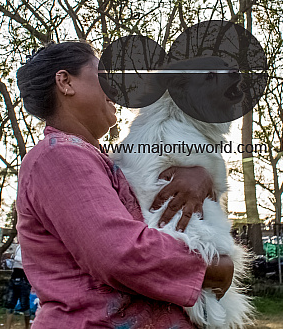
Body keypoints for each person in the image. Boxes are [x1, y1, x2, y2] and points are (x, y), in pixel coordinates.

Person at [15, 42, 235, 328]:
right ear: (66, 82)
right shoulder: (58, 155)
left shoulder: (96, 159)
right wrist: (213, 269)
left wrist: (200, 175)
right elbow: (117, 254)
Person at [4, 243, 31, 329]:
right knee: (10, 303)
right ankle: (8, 326)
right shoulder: (18, 247)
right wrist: (8, 261)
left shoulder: (29, 246)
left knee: (25, 304)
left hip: (24, 278)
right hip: (15, 276)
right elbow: (14, 263)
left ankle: (27, 326)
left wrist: (12, 257)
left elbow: (25, 260)